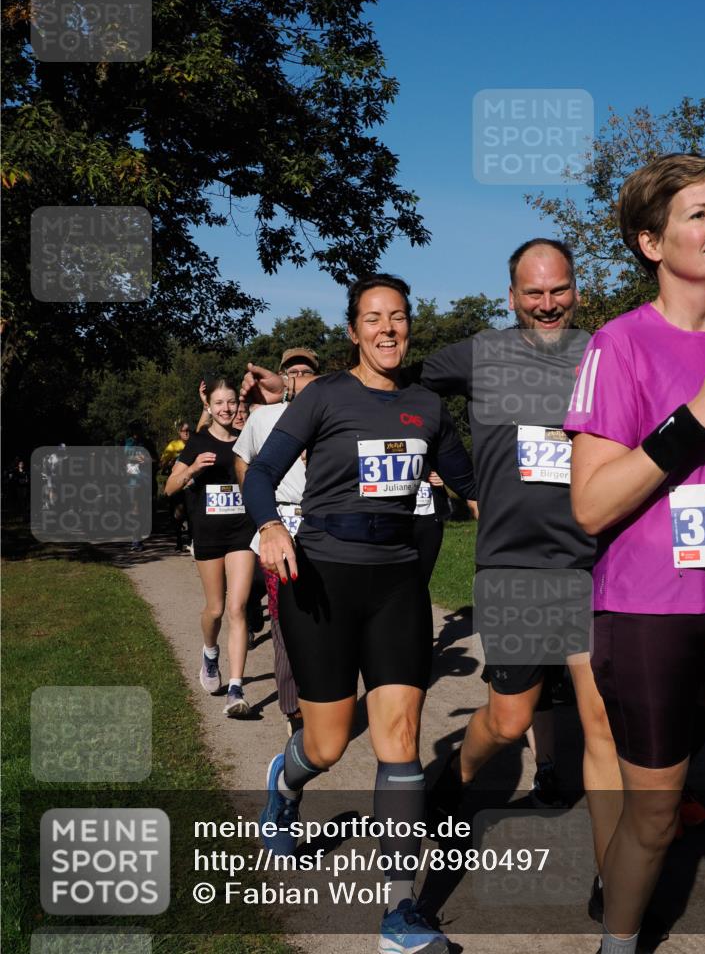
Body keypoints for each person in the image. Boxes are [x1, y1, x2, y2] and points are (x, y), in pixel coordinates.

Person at [244, 274, 476, 954]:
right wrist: (270, 528)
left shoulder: (428, 406)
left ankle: (400, 913)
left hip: (399, 584)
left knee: (399, 737)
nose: (387, 329)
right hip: (322, 579)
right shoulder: (324, 395)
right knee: (327, 740)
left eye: (398, 317)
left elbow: (468, 485)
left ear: (409, 325)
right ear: (353, 331)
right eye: (373, 318)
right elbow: (261, 474)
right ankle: (284, 787)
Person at [565, 154, 705, 954]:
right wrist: (694, 419)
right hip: (649, 611)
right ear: (650, 241)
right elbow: (591, 504)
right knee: (654, 814)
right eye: (698, 214)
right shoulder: (619, 345)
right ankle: (618, 942)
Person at [418, 239, 622, 927]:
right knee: (508, 721)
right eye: (532, 293)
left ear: (576, 290)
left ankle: (615, 877)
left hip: (594, 561)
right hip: (515, 566)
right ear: (511, 297)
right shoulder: (481, 355)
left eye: (557, 290)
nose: (545, 304)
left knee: (602, 721)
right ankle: (453, 781)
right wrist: (452, 469)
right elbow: (401, 385)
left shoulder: (604, 354)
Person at [234, 347, 321, 736]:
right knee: (285, 620)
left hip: (323, 524)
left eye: (306, 371)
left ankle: (323, 696)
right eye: (292, 372)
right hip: (280, 523)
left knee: (326, 617)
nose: (298, 378)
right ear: (282, 378)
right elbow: (243, 460)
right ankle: (293, 709)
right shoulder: (263, 417)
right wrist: (260, 509)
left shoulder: (332, 413)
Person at [165, 377, 255, 718]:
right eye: (219, 403)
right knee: (216, 610)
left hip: (242, 533)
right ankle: (210, 651)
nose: (226, 409)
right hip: (208, 534)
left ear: (237, 405)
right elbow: (170, 488)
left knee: (238, 608)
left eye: (231, 402)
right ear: (211, 407)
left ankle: (235, 688)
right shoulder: (198, 442)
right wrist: (191, 469)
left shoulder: (247, 440)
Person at [160, 420, 192, 551]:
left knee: (192, 513)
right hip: (178, 484)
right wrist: (170, 463)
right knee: (178, 513)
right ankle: (179, 541)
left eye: (189, 431)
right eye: (184, 431)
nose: (187, 433)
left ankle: (191, 541)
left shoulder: (195, 443)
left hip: (192, 484)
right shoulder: (173, 445)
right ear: (179, 432)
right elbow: (162, 464)